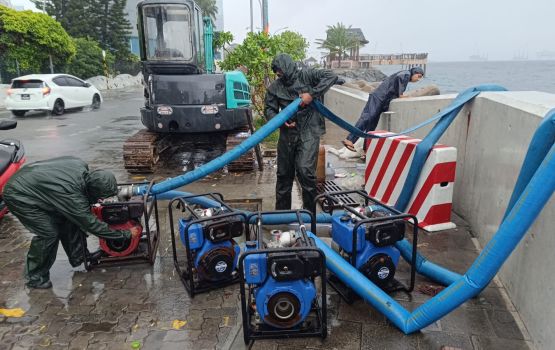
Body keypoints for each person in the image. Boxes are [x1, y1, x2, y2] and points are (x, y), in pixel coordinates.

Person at [3, 157, 141, 289]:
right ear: (91, 191)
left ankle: (79, 256)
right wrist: (125, 234)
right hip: (19, 194)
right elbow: (90, 224)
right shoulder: (72, 195)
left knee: (70, 219)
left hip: (35, 184)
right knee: (48, 233)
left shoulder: (81, 167)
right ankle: (35, 277)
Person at [264, 53, 338, 214]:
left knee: (305, 171)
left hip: (309, 130)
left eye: (280, 70)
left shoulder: (308, 75)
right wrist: (278, 120)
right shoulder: (275, 87)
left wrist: (311, 95)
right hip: (287, 132)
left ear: (288, 67)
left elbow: (331, 76)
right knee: (283, 174)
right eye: (276, 71)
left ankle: (309, 214)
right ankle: (281, 216)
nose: (278, 73)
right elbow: (269, 109)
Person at [342, 67, 424, 150]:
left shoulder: (406, 75)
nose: (418, 79)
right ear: (414, 72)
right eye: (419, 76)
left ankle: (366, 150)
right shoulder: (406, 73)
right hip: (378, 98)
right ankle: (349, 140)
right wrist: (401, 94)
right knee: (366, 118)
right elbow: (400, 77)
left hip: (382, 100)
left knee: (371, 127)